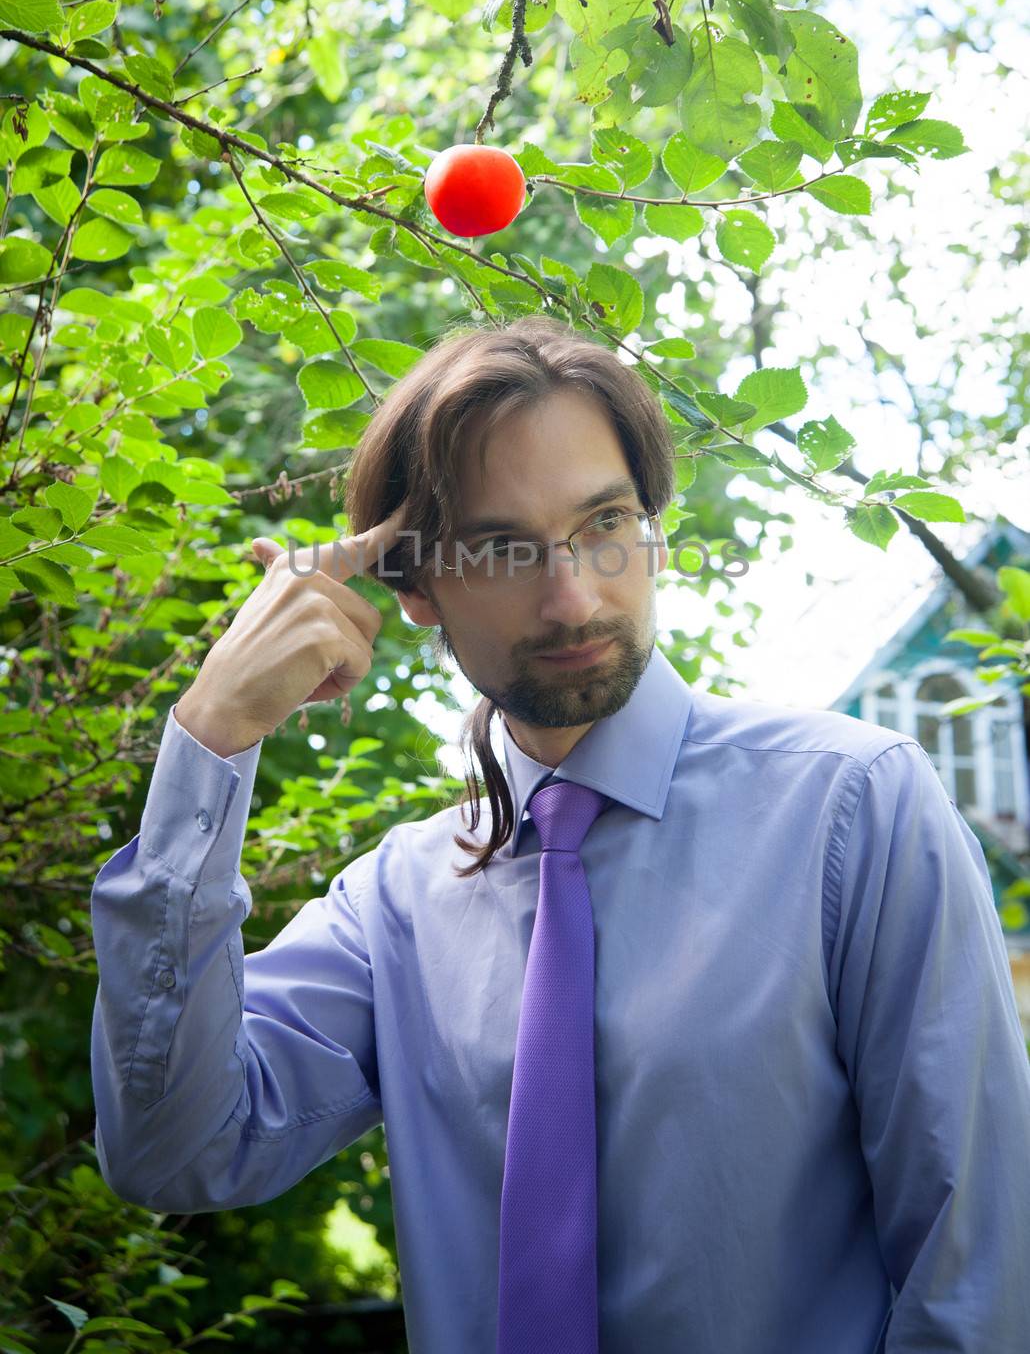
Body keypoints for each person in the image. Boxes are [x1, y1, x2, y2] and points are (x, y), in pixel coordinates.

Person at [90, 315, 1030, 1354]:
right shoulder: (394, 904)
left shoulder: (855, 812)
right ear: (412, 588)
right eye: (501, 546)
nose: (573, 594)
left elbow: (972, 1273)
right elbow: (173, 1151)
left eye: (604, 525)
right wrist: (209, 738)